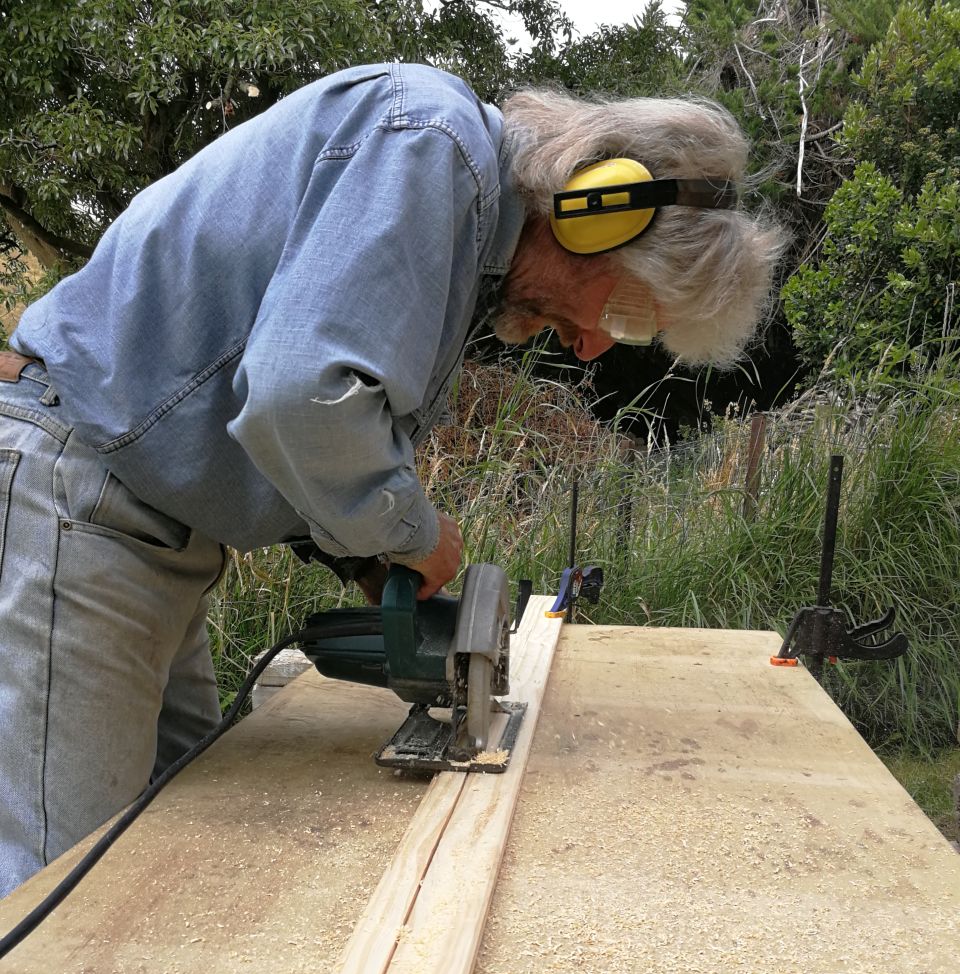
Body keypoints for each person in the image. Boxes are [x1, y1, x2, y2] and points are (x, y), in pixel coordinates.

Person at [0, 62, 783, 895]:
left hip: (149, 523)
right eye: (623, 314)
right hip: (83, 490)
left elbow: (290, 416)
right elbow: (299, 397)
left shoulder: (454, 211)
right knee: (60, 891)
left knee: (174, 837)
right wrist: (409, 533)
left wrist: (367, 560)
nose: (591, 345)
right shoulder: (432, 143)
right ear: (594, 211)